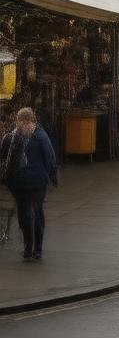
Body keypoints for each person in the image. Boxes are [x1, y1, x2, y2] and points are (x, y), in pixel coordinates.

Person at [0, 108, 58, 261]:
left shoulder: (12, 136)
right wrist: (52, 177)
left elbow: (3, 157)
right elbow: (50, 157)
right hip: (37, 182)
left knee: (25, 215)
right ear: (33, 119)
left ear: (19, 120)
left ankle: (28, 249)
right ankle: (37, 250)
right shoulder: (41, 135)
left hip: (19, 183)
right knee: (37, 213)